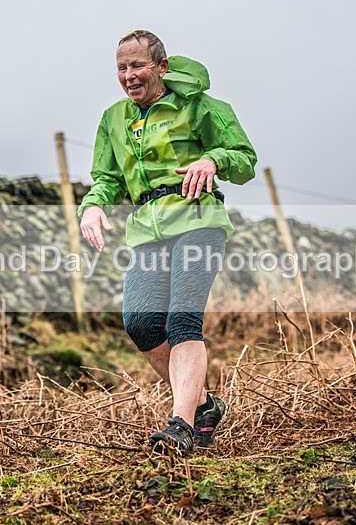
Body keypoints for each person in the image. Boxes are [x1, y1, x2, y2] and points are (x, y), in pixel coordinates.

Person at [78, 30, 256, 456]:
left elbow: (245, 159)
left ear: (162, 66)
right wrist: (93, 205)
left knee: (182, 322)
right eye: (121, 68)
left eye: (137, 65)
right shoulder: (113, 118)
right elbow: (107, 179)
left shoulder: (199, 106)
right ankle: (204, 406)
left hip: (197, 221)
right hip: (147, 231)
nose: (128, 75)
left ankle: (182, 425)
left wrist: (213, 159)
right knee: (139, 323)